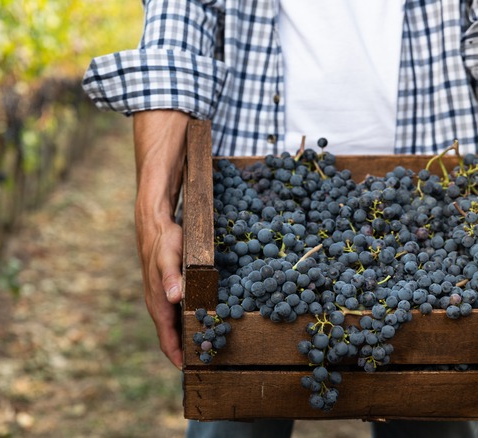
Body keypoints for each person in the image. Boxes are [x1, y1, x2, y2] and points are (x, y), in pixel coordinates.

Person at [82, 1, 478, 437]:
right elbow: (174, 41)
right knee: (231, 383)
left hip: (437, 200)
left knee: (443, 375)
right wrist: (154, 218)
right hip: (251, 193)